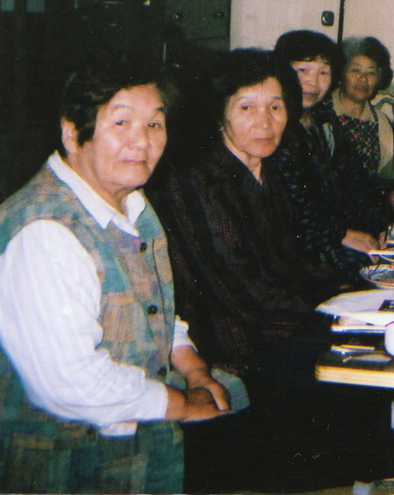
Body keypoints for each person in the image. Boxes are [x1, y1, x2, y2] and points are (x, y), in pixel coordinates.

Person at [152, 49, 394, 492]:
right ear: (221, 114)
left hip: (274, 316)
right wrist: (334, 316)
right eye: (246, 108)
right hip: (236, 337)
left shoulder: (266, 167)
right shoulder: (198, 182)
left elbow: (295, 262)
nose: (265, 122)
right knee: (341, 346)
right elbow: (245, 295)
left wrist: (354, 291)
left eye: (276, 107)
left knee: (373, 322)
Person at [0, 61, 234, 493]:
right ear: (73, 133)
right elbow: (72, 384)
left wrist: (195, 370)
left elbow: (153, 308)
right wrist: (182, 404)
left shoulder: (131, 205)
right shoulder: (46, 231)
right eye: (121, 122)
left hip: (135, 450)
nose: (142, 141)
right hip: (65, 465)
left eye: (154, 124)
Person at [272, 30, 393, 288]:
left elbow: (355, 180)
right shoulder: (274, 128)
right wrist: (341, 234)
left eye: (323, 72)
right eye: (302, 70)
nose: (313, 82)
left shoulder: (323, 119)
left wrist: (382, 225)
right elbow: (292, 208)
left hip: (324, 236)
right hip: (295, 250)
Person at [328, 36, 394, 175]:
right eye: (356, 70)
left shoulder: (381, 122)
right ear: (341, 74)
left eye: (371, 72)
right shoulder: (321, 112)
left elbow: (384, 177)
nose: (363, 78)